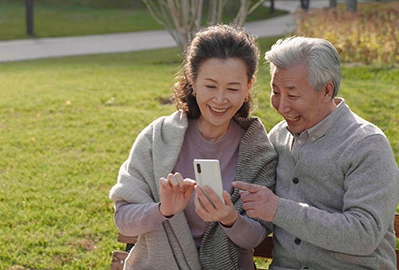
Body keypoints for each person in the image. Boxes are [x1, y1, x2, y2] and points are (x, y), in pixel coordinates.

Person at [109, 24, 277, 270]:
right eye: (210, 86)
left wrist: (229, 218)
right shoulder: (158, 138)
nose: (220, 100)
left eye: (232, 88)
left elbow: (255, 236)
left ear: (248, 87)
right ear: (192, 81)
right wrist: (163, 210)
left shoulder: (258, 151)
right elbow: (124, 221)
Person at [233, 37, 399, 269]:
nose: (282, 106)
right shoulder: (278, 138)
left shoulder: (366, 145)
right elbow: (258, 217)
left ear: (326, 90)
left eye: (292, 95)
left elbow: (363, 236)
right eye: (275, 92)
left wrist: (279, 210)